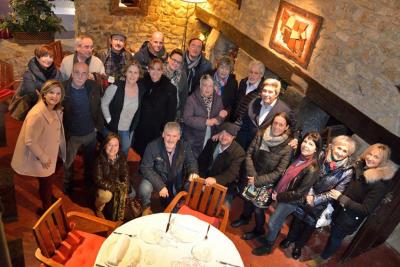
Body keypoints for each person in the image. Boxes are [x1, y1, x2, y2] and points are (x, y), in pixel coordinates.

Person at [305, 144, 398, 267]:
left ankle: (323, 259)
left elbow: (366, 209)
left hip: (349, 217)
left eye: (376, 157)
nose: (370, 158)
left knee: (335, 238)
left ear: (382, 161)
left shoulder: (379, 184)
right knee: (333, 231)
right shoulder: (360, 167)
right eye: (370, 154)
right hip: (340, 209)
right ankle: (325, 253)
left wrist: (341, 198)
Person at [281, 135, 356, 260]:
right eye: (339, 148)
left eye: (345, 151)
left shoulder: (347, 171)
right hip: (307, 193)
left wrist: (315, 199)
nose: (340, 153)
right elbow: (310, 174)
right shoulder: (321, 155)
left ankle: (298, 246)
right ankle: (290, 239)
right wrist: (309, 193)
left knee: (309, 226)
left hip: (321, 203)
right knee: (297, 219)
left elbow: (336, 192)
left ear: (348, 154)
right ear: (333, 147)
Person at [252, 132, 322, 256]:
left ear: (316, 149)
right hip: (281, 194)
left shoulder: (313, 168)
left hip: (290, 200)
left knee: (273, 221)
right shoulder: (299, 157)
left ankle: (269, 244)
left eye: (311, 144)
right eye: (305, 141)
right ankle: (271, 235)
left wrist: (278, 196)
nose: (306, 145)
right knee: (276, 220)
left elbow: (299, 193)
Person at [231, 112, 294, 239]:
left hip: (267, 183)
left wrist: (257, 180)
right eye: (275, 123)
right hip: (252, 176)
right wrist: (252, 175)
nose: (277, 126)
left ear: (286, 127)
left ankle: (258, 230)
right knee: (248, 200)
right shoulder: (260, 134)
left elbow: (279, 171)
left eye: (281, 124)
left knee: (259, 209)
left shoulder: (288, 147)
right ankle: (245, 218)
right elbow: (249, 154)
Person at [11, 80, 66, 214]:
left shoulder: (54, 108)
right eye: (51, 93)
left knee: (48, 179)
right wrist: (43, 157)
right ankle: (46, 210)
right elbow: (29, 140)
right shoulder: (36, 114)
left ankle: (48, 196)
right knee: (46, 181)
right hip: (41, 155)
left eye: (58, 93)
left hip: (50, 150)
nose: (55, 96)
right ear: (44, 95)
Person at [139, 122, 199, 215]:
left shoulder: (185, 146)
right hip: (157, 178)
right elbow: (145, 168)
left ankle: (180, 204)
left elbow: (191, 162)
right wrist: (160, 185)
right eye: (168, 135)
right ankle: (146, 207)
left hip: (176, 179)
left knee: (193, 183)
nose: (171, 139)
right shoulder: (152, 146)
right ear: (163, 134)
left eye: (174, 136)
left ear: (179, 136)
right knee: (144, 187)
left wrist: (193, 172)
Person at [62, 62, 103, 195]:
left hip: (90, 133)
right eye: (77, 72)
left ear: (88, 75)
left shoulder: (93, 87)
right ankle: (68, 185)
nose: (80, 76)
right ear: (72, 73)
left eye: (84, 73)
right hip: (72, 135)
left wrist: (97, 128)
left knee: (90, 160)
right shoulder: (63, 89)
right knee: (68, 162)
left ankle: (88, 182)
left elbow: (98, 108)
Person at [236, 78, 296, 150]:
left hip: (260, 149)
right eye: (264, 91)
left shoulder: (285, 110)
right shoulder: (255, 101)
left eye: (270, 92)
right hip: (242, 143)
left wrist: (295, 139)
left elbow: (293, 128)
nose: (266, 94)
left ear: (276, 94)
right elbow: (242, 119)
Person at [133, 58, 177, 156]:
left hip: (157, 129)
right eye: (152, 69)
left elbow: (171, 113)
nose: (155, 72)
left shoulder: (170, 88)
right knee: (139, 153)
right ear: (148, 70)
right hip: (141, 127)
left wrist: (165, 130)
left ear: (162, 71)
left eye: (158, 69)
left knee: (153, 154)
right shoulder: (141, 84)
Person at [101, 61, 145, 156]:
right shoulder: (115, 87)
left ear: (139, 75)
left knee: (125, 150)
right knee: (110, 153)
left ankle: (121, 169)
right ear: (125, 73)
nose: (132, 75)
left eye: (135, 72)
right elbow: (104, 103)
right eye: (130, 72)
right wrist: (109, 120)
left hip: (127, 129)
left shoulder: (141, 89)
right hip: (112, 127)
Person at [197, 122, 245, 207]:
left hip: (224, 185)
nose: (224, 137)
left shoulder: (239, 153)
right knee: (191, 194)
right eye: (222, 133)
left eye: (228, 135)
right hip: (206, 179)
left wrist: (215, 180)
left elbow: (231, 174)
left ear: (233, 137)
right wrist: (203, 181)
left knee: (219, 209)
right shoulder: (212, 142)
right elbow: (202, 162)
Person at [11, 45, 63, 119]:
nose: (48, 59)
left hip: (53, 106)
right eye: (45, 56)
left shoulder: (56, 72)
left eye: (51, 57)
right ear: (37, 57)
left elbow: (60, 88)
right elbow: (32, 94)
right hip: (34, 109)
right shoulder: (29, 73)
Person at [183, 74, 228, 158]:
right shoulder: (191, 99)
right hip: (194, 139)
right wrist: (205, 122)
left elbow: (221, 116)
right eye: (205, 85)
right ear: (200, 86)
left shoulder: (218, 99)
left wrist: (218, 119)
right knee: (191, 160)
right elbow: (187, 118)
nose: (207, 88)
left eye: (210, 86)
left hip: (211, 136)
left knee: (204, 159)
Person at [93, 133, 130, 221]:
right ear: (105, 145)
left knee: (132, 193)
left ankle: (116, 213)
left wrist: (125, 188)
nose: (113, 148)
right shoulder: (98, 158)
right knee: (106, 195)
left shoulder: (122, 156)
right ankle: (99, 208)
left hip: (116, 183)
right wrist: (114, 188)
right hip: (104, 185)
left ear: (119, 146)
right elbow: (98, 180)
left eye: (115, 145)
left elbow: (125, 173)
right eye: (110, 145)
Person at [163, 48, 188, 121]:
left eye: (179, 62)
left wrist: (181, 115)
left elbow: (184, 97)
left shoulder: (182, 75)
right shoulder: (160, 71)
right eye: (174, 60)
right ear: (169, 59)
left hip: (174, 113)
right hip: (159, 111)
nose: (176, 63)